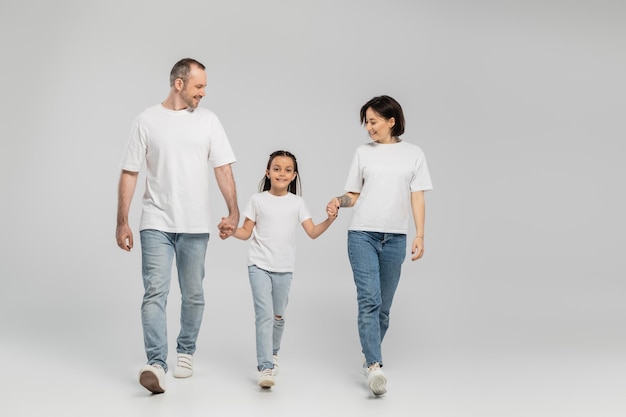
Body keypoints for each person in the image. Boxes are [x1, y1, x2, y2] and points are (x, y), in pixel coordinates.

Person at [115, 58, 239, 394]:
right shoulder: (146, 120)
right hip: (155, 221)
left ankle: (186, 351)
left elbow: (223, 168)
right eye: (199, 86)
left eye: (205, 87)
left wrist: (233, 211)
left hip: (195, 225)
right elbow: (130, 171)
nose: (203, 93)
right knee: (155, 291)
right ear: (179, 84)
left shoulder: (209, 121)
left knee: (194, 294)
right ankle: (156, 363)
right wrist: (122, 221)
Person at [328, 95, 433, 396]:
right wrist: (339, 201)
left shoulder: (414, 154)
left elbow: (417, 196)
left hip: (395, 238)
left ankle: (369, 355)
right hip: (362, 234)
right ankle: (375, 365)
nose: (368, 128)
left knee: (383, 310)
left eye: (373, 122)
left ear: (391, 121)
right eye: (366, 122)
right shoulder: (363, 152)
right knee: (369, 300)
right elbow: (355, 194)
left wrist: (420, 234)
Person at [227, 150, 336, 388]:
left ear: (294, 175)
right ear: (268, 172)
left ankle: (273, 352)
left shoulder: (297, 203)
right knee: (264, 316)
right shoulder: (257, 200)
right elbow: (245, 232)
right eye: (276, 168)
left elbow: (313, 232)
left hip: (284, 268)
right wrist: (231, 230)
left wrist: (330, 219)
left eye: (287, 170)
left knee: (278, 316)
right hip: (258, 265)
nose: (281, 173)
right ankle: (265, 368)